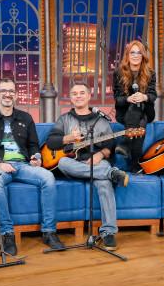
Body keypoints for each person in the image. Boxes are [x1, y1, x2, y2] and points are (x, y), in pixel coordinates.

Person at [0, 78, 65, 256]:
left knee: (48, 177)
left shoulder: (25, 118)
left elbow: (33, 144)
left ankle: (49, 231)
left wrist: (36, 156)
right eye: (4, 91)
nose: (8, 94)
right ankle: (7, 234)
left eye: (11, 91)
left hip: (23, 165)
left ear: (16, 94)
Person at [45, 82, 129, 251]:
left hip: (96, 163)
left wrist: (100, 154)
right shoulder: (64, 119)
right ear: (71, 98)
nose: (78, 96)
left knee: (104, 183)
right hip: (73, 164)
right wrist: (69, 138)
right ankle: (111, 173)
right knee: (62, 162)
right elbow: (51, 142)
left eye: (82, 93)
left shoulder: (101, 119)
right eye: (74, 93)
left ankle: (108, 232)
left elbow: (110, 144)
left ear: (89, 96)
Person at [113, 40, 157, 172]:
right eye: (132, 52)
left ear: (143, 55)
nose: (136, 55)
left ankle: (126, 143)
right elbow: (117, 99)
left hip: (147, 111)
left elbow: (153, 95)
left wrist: (144, 97)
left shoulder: (150, 73)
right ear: (127, 54)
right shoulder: (118, 73)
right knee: (140, 122)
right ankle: (135, 164)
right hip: (124, 114)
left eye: (139, 52)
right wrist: (128, 99)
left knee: (138, 106)